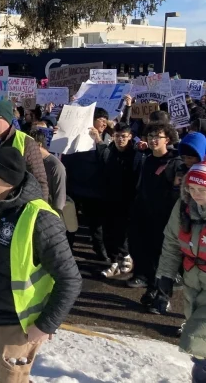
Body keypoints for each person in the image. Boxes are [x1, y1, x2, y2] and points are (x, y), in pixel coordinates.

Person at [0, 147, 81, 383]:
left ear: (9, 181)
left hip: (18, 327)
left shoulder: (40, 218)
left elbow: (70, 279)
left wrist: (44, 326)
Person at [154, 162, 206, 382]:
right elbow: (172, 242)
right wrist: (164, 276)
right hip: (192, 280)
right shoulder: (184, 206)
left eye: (202, 190)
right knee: (199, 347)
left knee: (197, 339)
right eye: (191, 189)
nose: (195, 195)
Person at [128, 122, 182, 303]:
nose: (152, 140)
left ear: (167, 139)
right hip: (143, 214)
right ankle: (149, 283)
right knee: (143, 251)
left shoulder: (175, 162)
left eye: (157, 137)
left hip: (164, 218)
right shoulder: (147, 159)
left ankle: (159, 293)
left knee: (161, 256)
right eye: (150, 136)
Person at [0, 100, 48, 195]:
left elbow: (40, 180)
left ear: (7, 119)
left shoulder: (26, 142)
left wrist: (41, 207)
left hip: (17, 203)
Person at [97, 122, 141, 277]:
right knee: (108, 232)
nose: (120, 139)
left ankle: (126, 256)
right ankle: (114, 262)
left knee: (124, 233)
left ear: (130, 137)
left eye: (124, 136)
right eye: (117, 136)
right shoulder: (108, 152)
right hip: (109, 199)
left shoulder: (137, 154)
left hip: (129, 201)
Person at [30, 129, 66, 214]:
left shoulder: (56, 166)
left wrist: (55, 215)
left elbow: (59, 196)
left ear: (39, 145)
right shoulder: (30, 160)